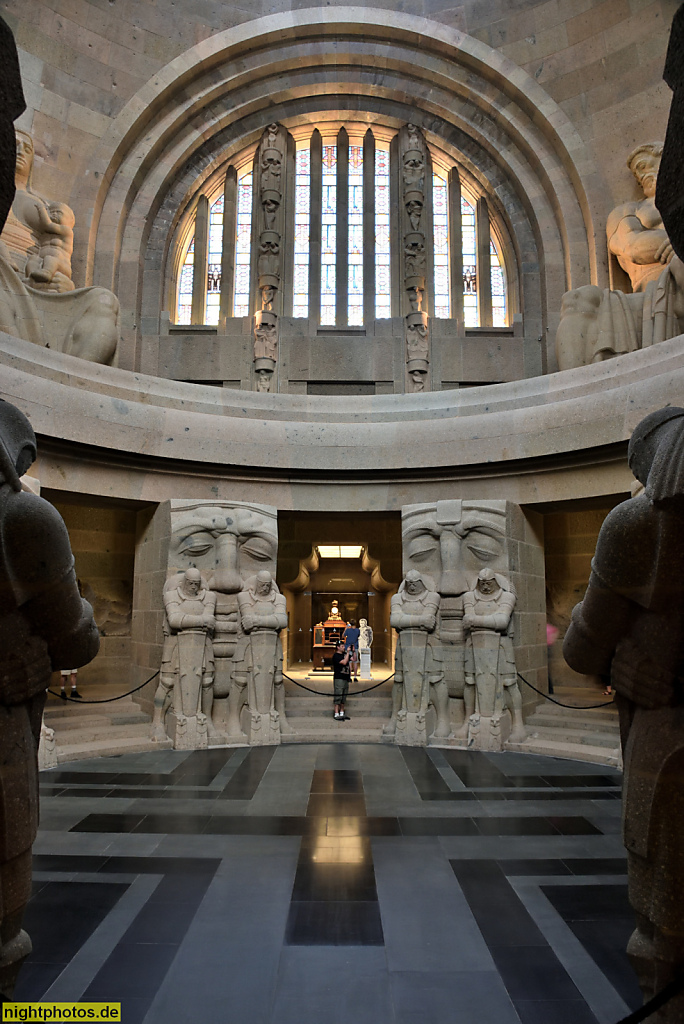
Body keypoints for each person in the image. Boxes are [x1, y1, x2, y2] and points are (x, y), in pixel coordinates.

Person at [563, 407, 684, 1021]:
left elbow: (583, 646)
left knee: (663, 922)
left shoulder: (643, 525)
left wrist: (624, 653)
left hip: (668, 744)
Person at [332, 640, 351, 720]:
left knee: (344, 695)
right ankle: (336, 713)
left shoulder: (345, 654)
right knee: (338, 695)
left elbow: (354, 659)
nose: (344, 648)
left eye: (344, 646)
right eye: (342, 646)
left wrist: (353, 651)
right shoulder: (336, 656)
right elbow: (344, 662)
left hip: (345, 677)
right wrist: (347, 653)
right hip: (339, 677)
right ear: (338, 647)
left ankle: (342, 712)